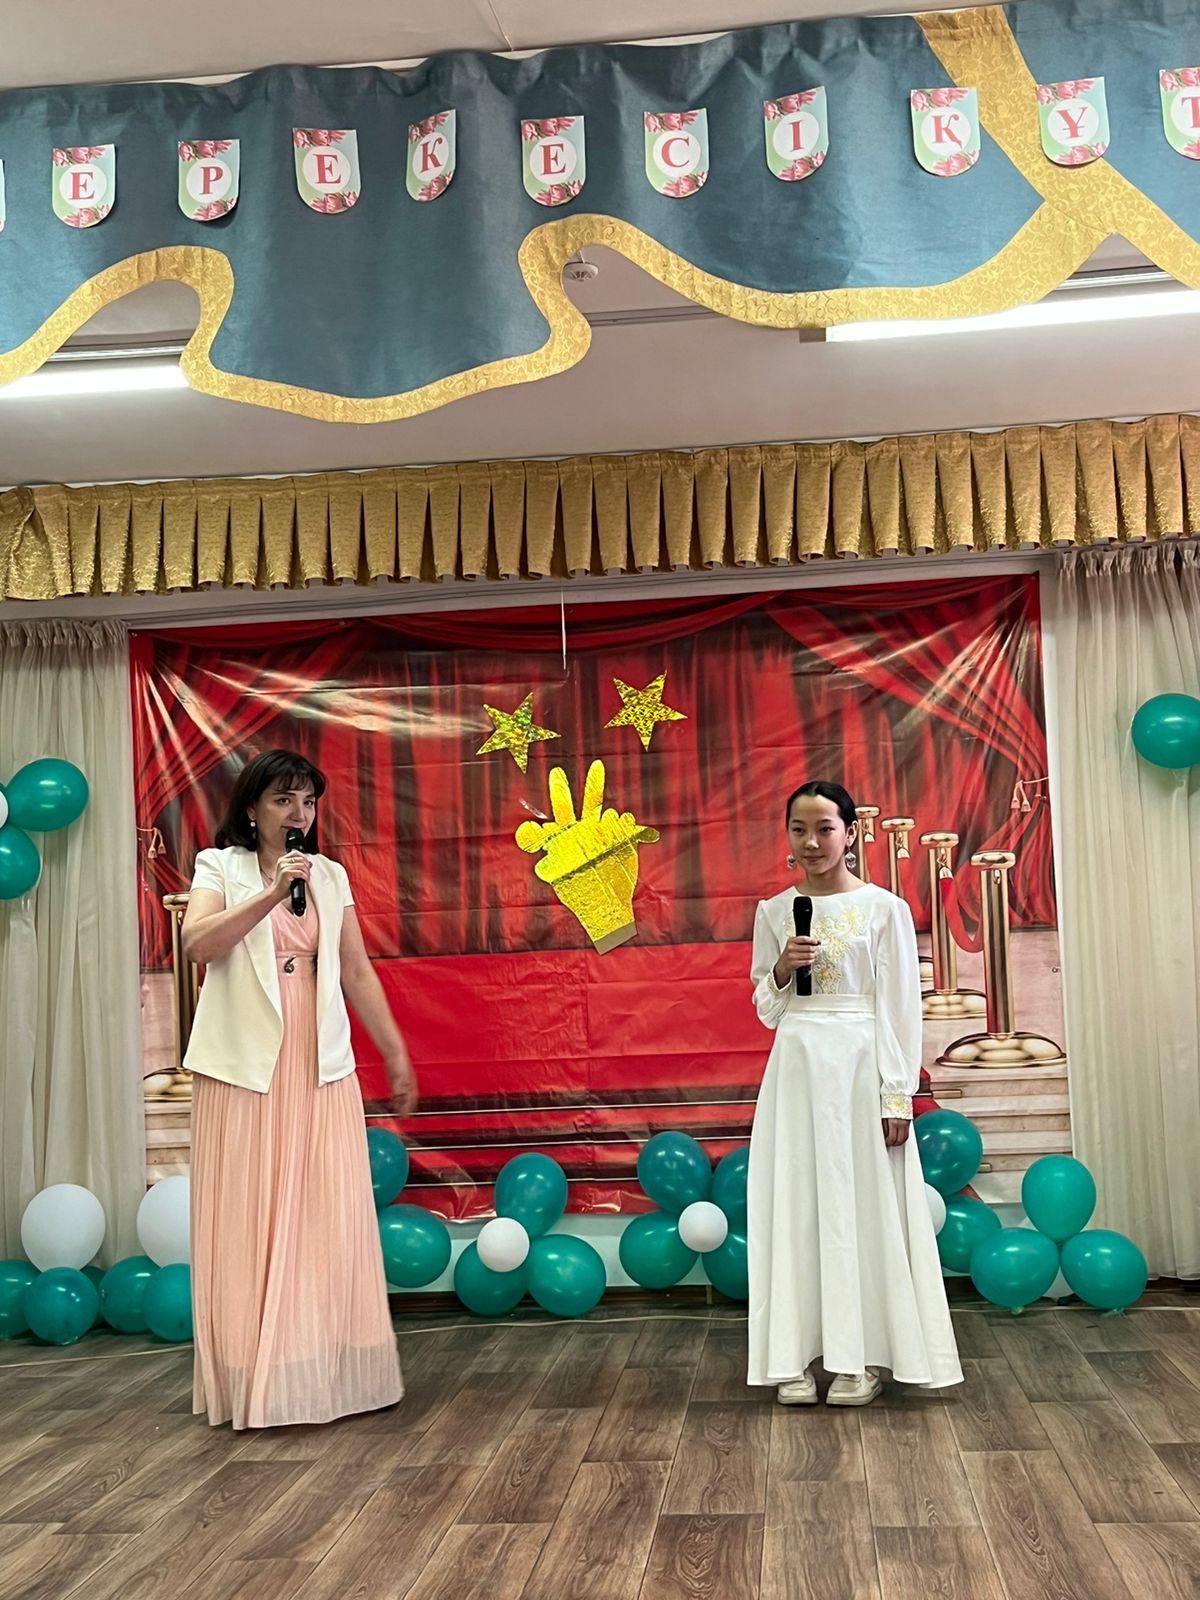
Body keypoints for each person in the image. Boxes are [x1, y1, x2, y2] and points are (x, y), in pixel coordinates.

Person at [181, 749, 416, 1429]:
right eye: (284, 800)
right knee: (251, 1214)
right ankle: (254, 1374)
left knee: (321, 1213)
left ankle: (319, 1372)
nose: (299, 814)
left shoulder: (329, 877)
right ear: (253, 808)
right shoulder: (219, 867)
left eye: (308, 802)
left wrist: (394, 1052)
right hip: (245, 1064)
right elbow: (199, 945)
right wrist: (268, 893)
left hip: (317, 1059)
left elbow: (356, 972)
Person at [746, 780, 961, 1405]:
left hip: (861, 1066)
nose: (811, 842)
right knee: (796, 1206)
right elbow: (767, 1010)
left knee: (860, 1209)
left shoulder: (883, 909)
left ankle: (857, 1359)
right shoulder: (774, 912)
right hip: (797, 1070)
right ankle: (791, 1358)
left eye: (825, 829)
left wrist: (897, 1094)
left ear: (851, 833)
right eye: (799, 830)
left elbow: (899, 1009)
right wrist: (782, 968)